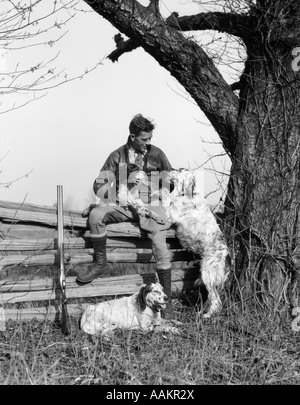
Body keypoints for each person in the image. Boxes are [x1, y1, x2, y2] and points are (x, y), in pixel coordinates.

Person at [76, 114, 174, 317]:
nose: (148, 143)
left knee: (159, 241)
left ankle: (167, 300)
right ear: (132, 136)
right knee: (95, 216)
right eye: (144, 139)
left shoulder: (158, 154)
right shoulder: (116, 155)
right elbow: (99, 184)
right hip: (125, 203)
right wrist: (118, 197)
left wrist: (155, 186)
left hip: (152, 204)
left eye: (150, 139)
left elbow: (171, 180)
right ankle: (101, 264)